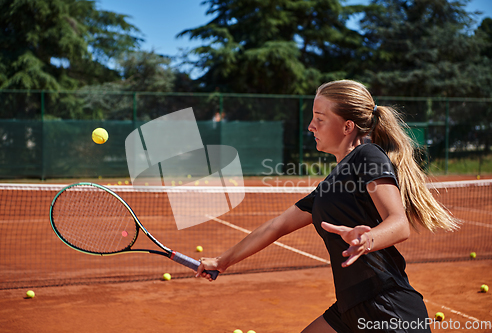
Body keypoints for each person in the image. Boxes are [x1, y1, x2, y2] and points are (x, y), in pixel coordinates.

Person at [196, 80, 458, 332]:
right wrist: (222, 261)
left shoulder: (368, 155)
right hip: (352, 306)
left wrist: (367, 238)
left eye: (319, 118)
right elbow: (277, 226)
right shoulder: (331, 184)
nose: (311, 126)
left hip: (386, 307)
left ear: (347, 127)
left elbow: (399, 224)